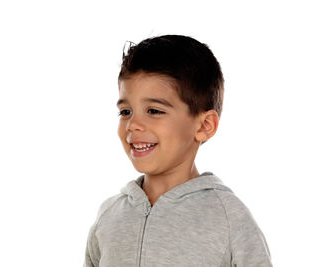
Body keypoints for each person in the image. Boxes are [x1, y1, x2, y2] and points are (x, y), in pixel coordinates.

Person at [83, 35, 272, 266]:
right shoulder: (109, 216)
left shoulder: (229, 217)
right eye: (125, 112)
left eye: (153, 111)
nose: (132, 125)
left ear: (204, 126)